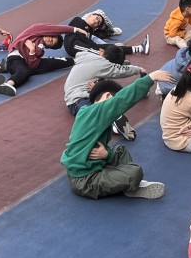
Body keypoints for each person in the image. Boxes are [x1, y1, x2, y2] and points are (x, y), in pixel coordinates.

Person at [60, 70, 174, 199]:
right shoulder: (96, 112)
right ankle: (130, 185)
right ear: (108, 96)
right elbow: (122, 100)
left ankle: (124, 179)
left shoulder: (91, 114)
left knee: (120, 151)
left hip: (91, 166)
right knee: (135, 173)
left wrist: (107, 155)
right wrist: (150, 78)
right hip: (86, 179)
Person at [63, 44, 145, 139]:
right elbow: (120, 71)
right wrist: (139, 70)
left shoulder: (87, 55)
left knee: (106, 87)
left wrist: (125, 64)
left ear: (102, 52)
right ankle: (112, 122)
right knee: (89, 112)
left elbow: (115, 67)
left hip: (77, 92)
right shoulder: (104, 66)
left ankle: (113, 116)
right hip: (76, 99)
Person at [0, 23, 83, 96]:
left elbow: (33, 65)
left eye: (51, 42)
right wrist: (74, 29)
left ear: (48, 47)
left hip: (27, 62)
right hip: (16, 58)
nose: (50, 39)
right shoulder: (34, 32)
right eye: (51, 36)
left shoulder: (40, 51)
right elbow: (54, 28)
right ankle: (7, 84)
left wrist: (32, 51)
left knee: (50, 63)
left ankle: (74, 60)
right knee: (24, 71)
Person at [63, 11, 149, 58]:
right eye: (97, 18)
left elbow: (92, 42)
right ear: (90, 14)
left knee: (108, 48)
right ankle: (112, 57)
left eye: (98, 23)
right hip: (74, 46)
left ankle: (139, 48)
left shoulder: (90, 32)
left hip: (83, 46)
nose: (96, 21)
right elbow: (84, 40)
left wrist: (110, 45)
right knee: (104, 51)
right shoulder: (77, 20)